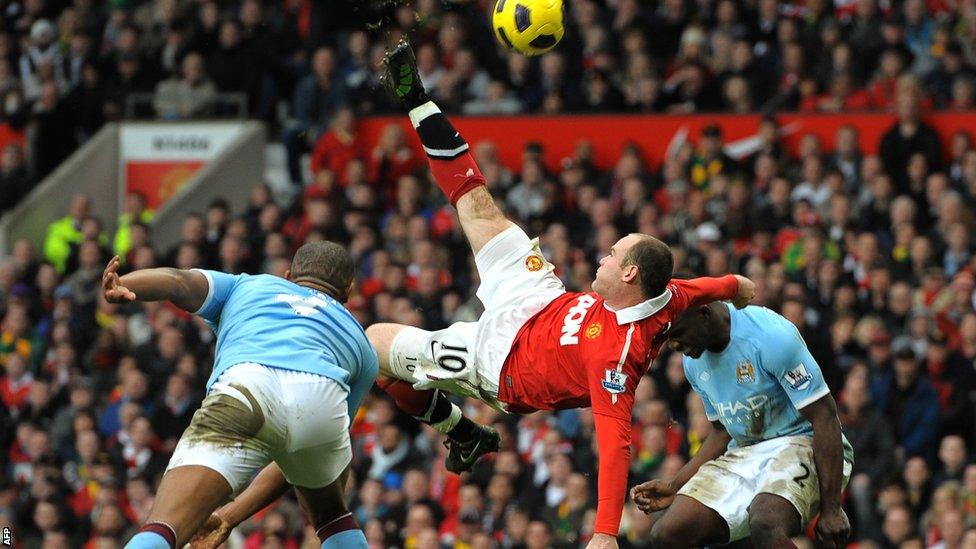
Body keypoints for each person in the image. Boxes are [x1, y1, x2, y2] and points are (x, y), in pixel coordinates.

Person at [365, 41, 756, 548]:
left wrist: (605, 533)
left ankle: (460, 430)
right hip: (540, 298)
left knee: (374, 344)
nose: (602, 256)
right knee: (478, 204)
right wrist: (737, 286)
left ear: (631, 273)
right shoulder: (667, 293)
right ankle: (418, 98)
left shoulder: (617, 357)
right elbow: (709, 286)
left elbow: (615, 445)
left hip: (503, 363)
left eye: (612, 255)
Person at [101, 240, 378, 549]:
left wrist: (123, 284)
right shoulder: (363, 346)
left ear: (287, 276)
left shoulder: (247, 285)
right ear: (348, 293)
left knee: (166, 524)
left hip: (248, 386)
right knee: (332, 514)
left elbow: (178, 281)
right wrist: (230, 516)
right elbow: (298, 454)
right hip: (322, 401)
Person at [631, 302, 854, 549]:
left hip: (802, 440)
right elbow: (721, 430)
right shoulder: (693, 361)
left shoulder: (770, 336)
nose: (673, 345)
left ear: (703, 314)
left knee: (766, 521)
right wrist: (675, 484)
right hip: (745, 451)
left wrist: (832, 508)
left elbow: (825, 417)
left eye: (677, 334)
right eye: (668, 337)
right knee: (667, 533)